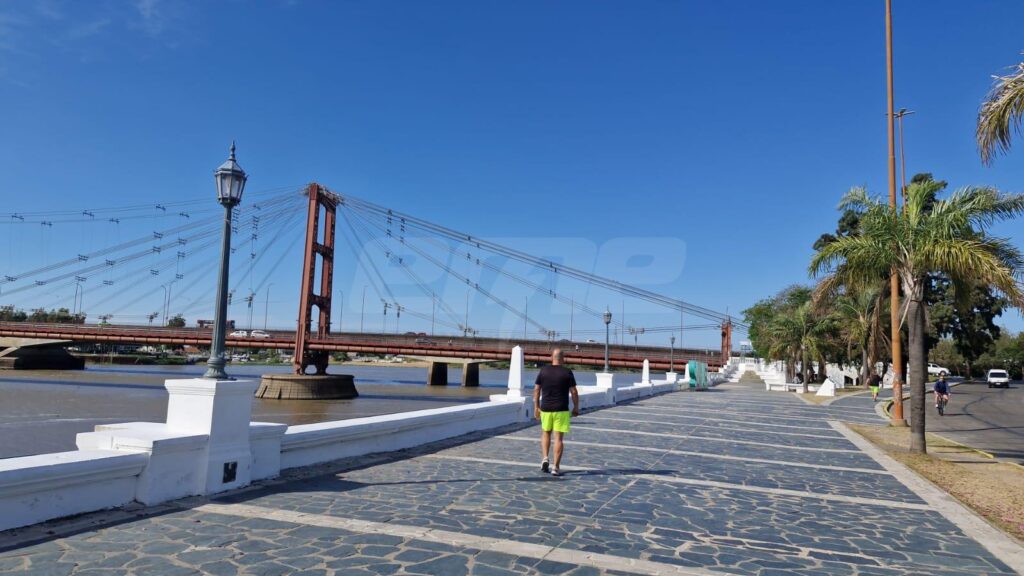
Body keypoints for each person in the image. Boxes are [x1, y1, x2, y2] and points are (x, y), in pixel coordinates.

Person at [533, 348, 579, 477]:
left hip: (546, 408)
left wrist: (536, 407)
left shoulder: (543, 371)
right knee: (558, 438)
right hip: (561, 409)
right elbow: (574, 392)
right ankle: (556, 467)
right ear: (563, 358)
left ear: (551, 358)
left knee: (546, 433)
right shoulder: (567, 372)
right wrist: (576, 407)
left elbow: (536, 390)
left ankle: (545, 458)